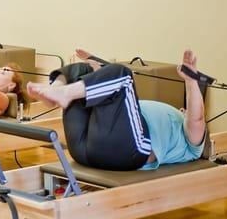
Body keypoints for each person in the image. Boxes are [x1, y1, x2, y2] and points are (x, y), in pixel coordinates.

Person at [26, 49, 206, 171]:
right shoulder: (162, 115)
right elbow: (119, 110)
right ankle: (55, 91)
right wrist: (96, 67)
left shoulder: (192, 144)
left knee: (123, 75)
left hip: (130, 152)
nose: (184, 110)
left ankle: (62, 93)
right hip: (84, 149)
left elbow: (196, 119)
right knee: (84, 68)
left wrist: (191, 81)